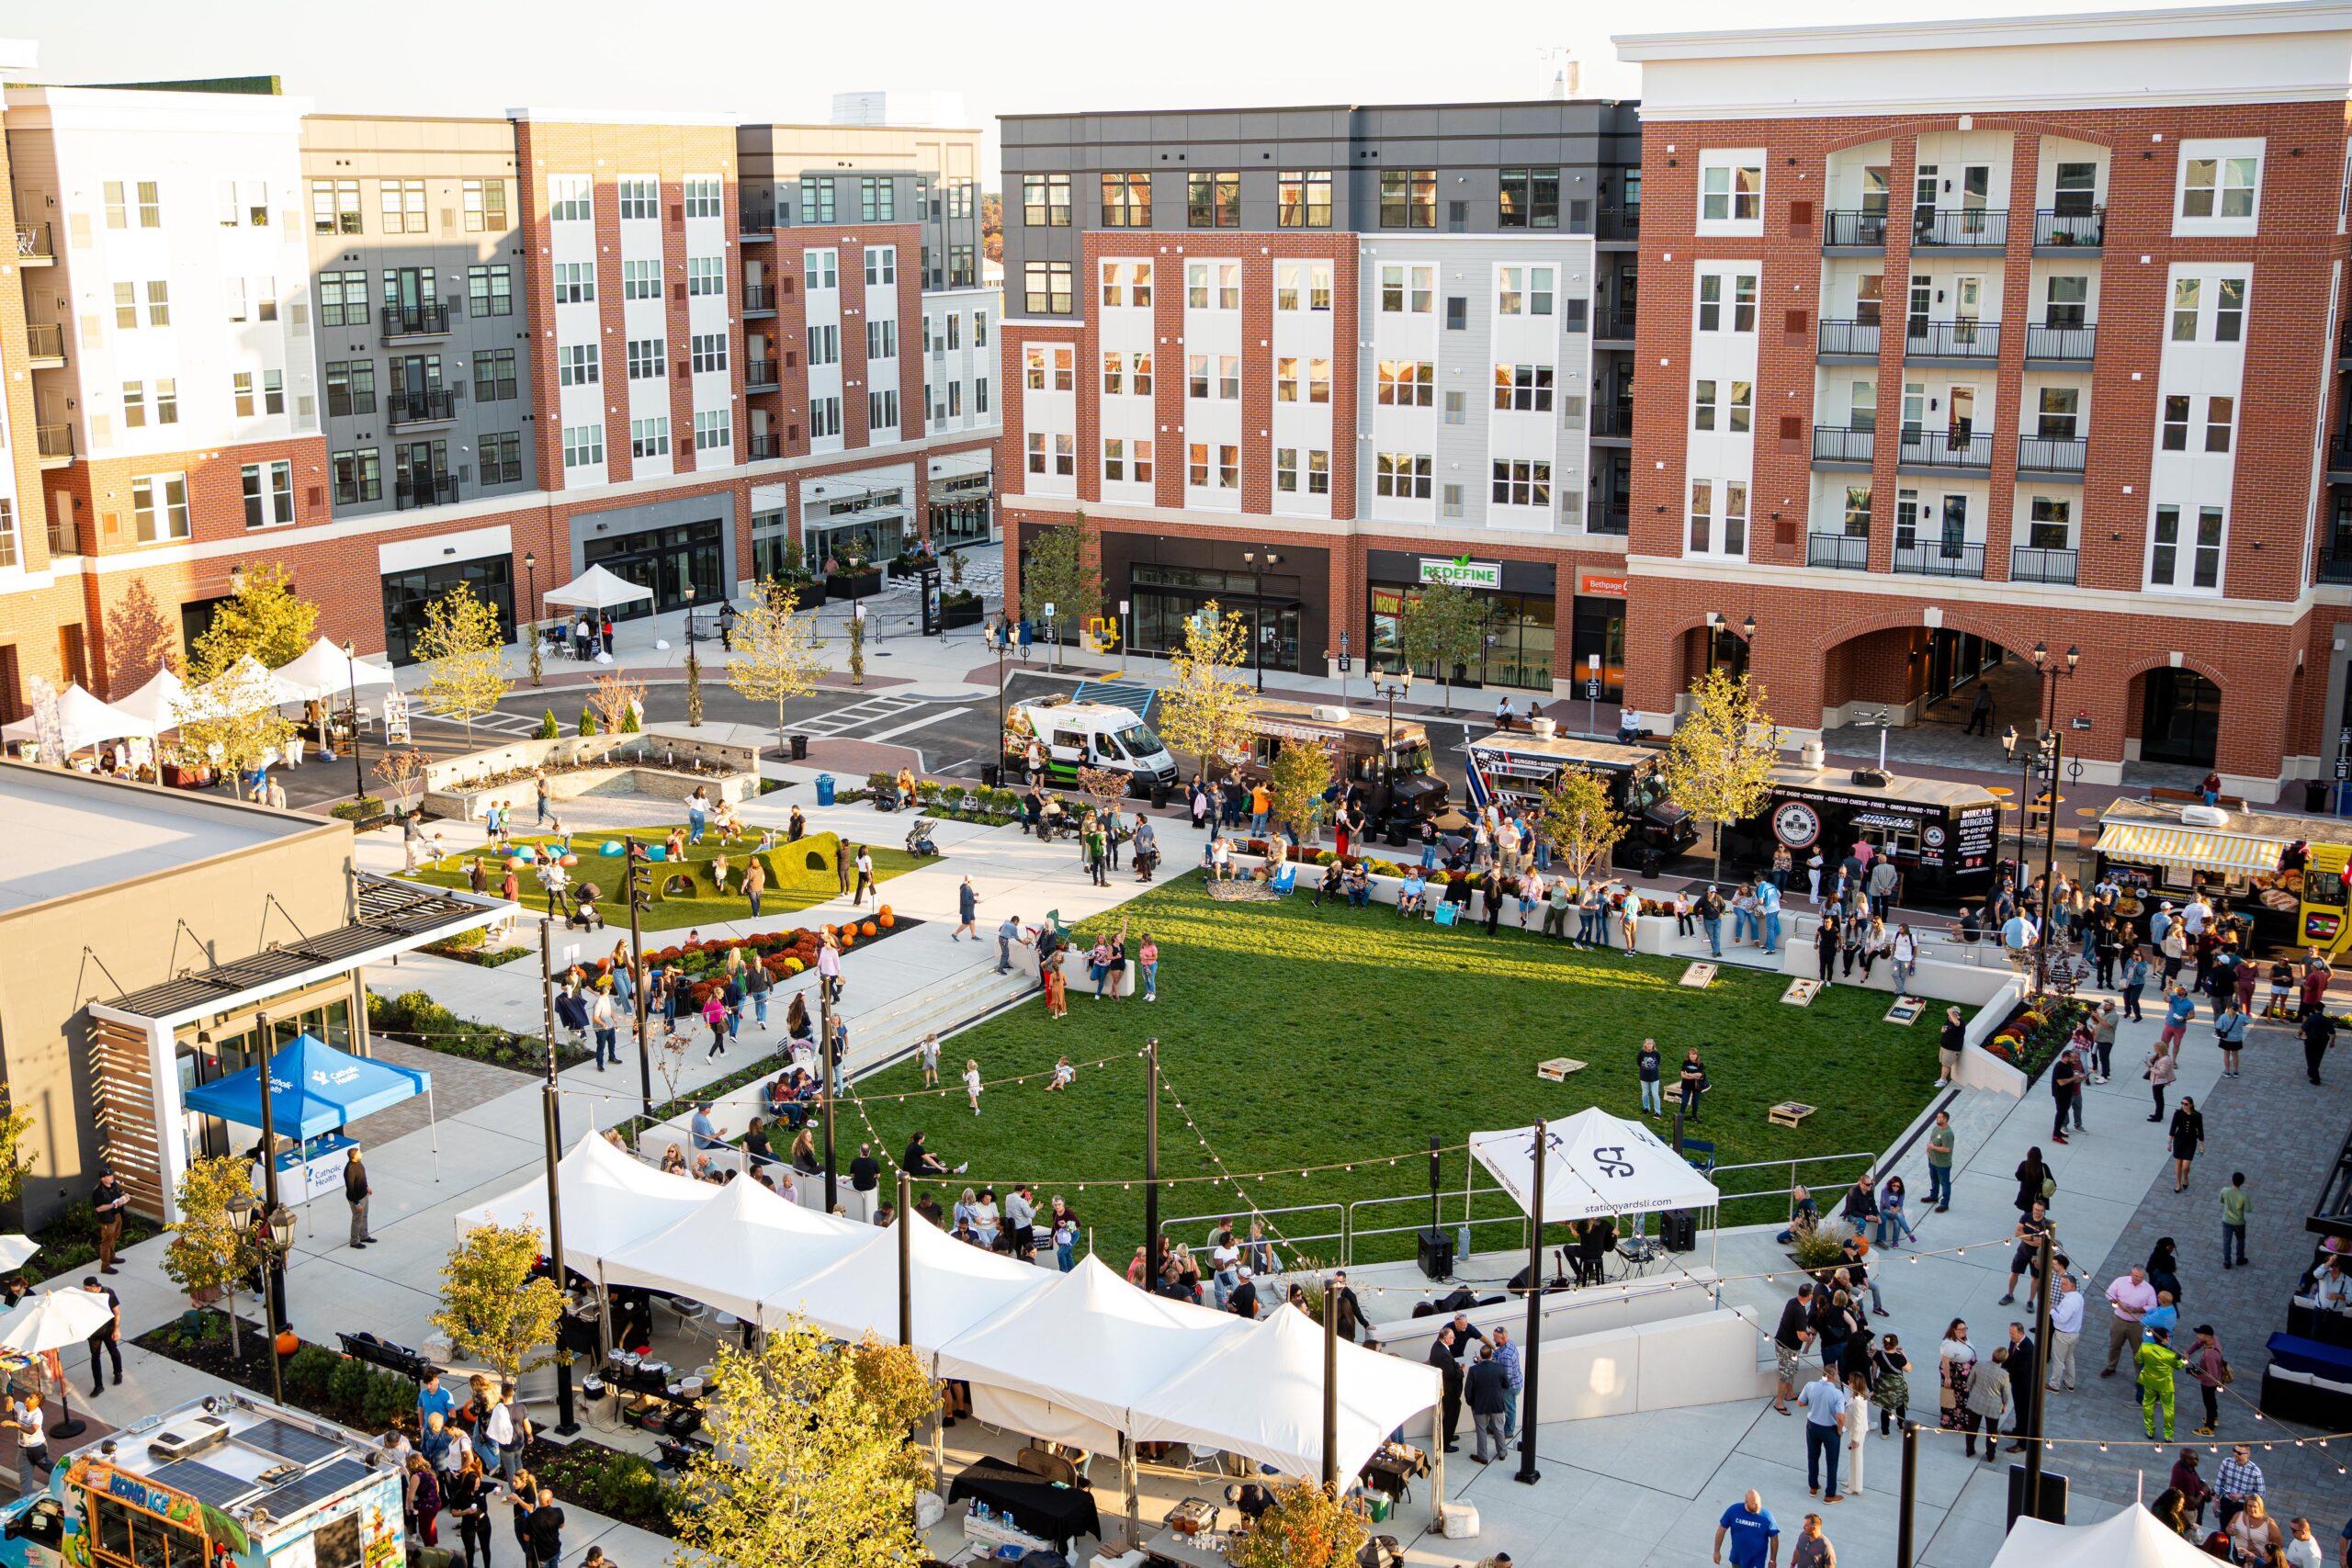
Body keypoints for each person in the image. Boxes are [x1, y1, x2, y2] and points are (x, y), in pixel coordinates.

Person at [1798, 1368, 1848, 1501]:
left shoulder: (1810, 1386)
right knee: (1832, 1462)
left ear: (1823, 1373)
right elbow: (1841, 1417)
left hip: (1812, 1426)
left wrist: (1814, 1404)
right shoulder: (1837, 1394)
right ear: (1835, 1375)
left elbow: (1800, 1402)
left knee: (1813, 1457)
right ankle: (1830, 1494)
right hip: (1830, 1429)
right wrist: (1839, 1430)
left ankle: (1813, 1487)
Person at [1772, 1284, 1816, 1416]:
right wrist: (1810, 1338)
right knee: (1785, 1375)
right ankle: (1779, 1402)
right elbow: (1801, 1336)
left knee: (1792, 1370)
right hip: (1787, 1347)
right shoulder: (1800, 1311)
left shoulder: (1792, 1302)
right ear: (1809, 1296)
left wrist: (1805, 1331)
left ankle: (1790, 1394)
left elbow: (1797, 1326)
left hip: (1785, 1343)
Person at [2138, 1325, 2187, 1440]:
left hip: (2149, 1380)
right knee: (2168, 1408)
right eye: (2168, 1336)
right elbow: (2179, 1366)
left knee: (2148, 1405)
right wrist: (2184, 1361)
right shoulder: (2170, 1355)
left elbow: (2139, 1359)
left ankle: (2149, 1430)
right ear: (2165, 1339)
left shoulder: (2145, 1347)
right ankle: (2168, 1435)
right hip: (2165, 1384)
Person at [1962, 1345, 2011, 1461]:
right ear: (2004, 1360)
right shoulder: (2004, 1375)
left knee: (1972, 1427)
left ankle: (1969, 1450)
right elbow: (2005, 1393)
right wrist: (2004, 1404)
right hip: (1993, 1406)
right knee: (1992, 1432)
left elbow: (1969, 1382)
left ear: (1992, 1355)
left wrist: (1973, 1392)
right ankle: (1990, 1454)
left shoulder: (1979, 1365)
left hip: (1976, 1401)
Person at [1466, 1342, 1510, 1463]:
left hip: (1479, 1405)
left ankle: (1483, 1456)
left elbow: (1468, 1389)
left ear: (1480, 1356)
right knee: (1499, 1429)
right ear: (1491, 1355)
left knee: (1481, 1430)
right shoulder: (1500, 1367)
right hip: (1496, 1403)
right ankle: (1502, 1452)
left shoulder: (1474, 1369)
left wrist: (1471, 1403)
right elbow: (1506, 1384)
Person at [2214, 1443, 2264, 1534]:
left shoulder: (2255, 1472)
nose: (2235, 1454)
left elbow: (2260, 1494)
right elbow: (2219, 1482)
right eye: (2234, 1451)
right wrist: (2216, 1501)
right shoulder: (2226, 1463)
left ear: (2247, 1454)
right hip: (2226, 1502)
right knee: (2224, 1529)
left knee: (2241, 1533)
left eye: (2239, 1453)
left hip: (2242, 1506)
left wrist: (2242, 1496)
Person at [3, 1390, 46, 1495]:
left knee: (46, 1465)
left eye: (31, 1398)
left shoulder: (37, 1414)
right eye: (28, 1396)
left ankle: (61, 1477)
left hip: (37, 1447)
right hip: (23, 1447)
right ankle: (25, 1497)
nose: (27, 1398)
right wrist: (8, 1399)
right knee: (24, 1472)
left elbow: (32, 1430)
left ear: (37, 1404)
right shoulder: (21, 1406)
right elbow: (9, 1401)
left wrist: (16, 1425)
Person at [1428, 1326, 1464, 1452]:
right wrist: (1461, 1371)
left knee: (1449, 1415)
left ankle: (1448, 1435)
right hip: (1449, 1391)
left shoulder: (1438, 1346)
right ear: (1445, 1339)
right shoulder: (1442, 1353)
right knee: (1451, 1415)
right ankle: (1445, 1443)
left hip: (1446, 1389)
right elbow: (1451, 1374)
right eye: (1451, 1337)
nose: (1454, 1338)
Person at [91, 1168, 129, 1274]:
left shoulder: (114, 1185)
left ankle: (112, 1257)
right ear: (102, 1178)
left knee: (114, 1238)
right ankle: (105, 1266)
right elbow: (99, 1208)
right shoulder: (98, 1191)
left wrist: (125, 1197)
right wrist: (114, 1205)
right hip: (107, 1219)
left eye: (112, 1175)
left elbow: (120, 1195)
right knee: (106, 1242)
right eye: (109, 1176)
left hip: (117, 1216)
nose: (112, 1177)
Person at [2170, 1097, 2206, 1193]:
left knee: (2186, 1166)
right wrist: (2169, 1143)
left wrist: (2201, 1144)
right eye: (2182, 1103)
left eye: (2186, 1104)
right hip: (2179, 1141)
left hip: (2190, 1142)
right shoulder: (2178, 1113)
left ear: (2191, 1105)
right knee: (2178, 1164)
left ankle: (2185, 1177)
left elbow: (2200, 1130)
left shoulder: (2197, 1115)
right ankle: (2178, 1184)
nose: (2183, 1106)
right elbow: (2172, 1129)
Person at [345, 1146, 375, 1248]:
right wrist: (357, 1203)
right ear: (354, 1156)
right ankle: (354, 1241)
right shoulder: (349, 1169)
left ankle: (364, 1236)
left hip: (364, 1195)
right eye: (359, 1153)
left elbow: (362, 1177)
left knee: (364, 1217)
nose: (361, 1154)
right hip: (356, 1198)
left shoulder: (359, 1163)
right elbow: (350, 1188)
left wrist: (367, 1187)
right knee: (357, 1219)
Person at [2221, 1171, 2252, 1270]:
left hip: (2226, 1220)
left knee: (2226, 1241)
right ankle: (2240, 1258)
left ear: (2232, 1180)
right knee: (2240, 1240)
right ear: (2242, 1182)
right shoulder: (2244, 1195)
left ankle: (2227, 1261)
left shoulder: (2225, 1191)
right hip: (2239, 1222)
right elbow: (2248, 1210)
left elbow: (2220, 1201)